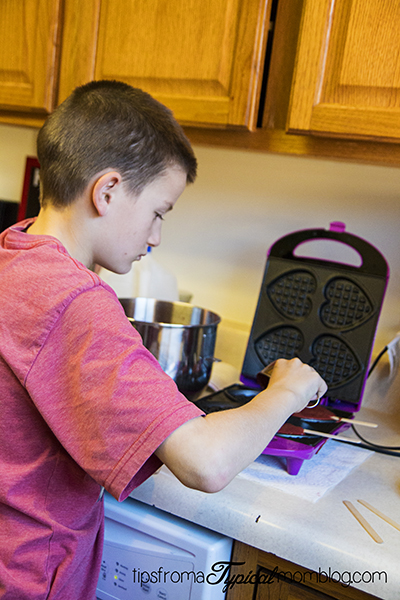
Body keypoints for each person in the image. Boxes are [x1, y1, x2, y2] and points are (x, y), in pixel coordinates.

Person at [0, 80, 327, 600]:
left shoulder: (13, 253)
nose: (156, 237)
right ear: (107, 191)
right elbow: (206, 462)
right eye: (158, 212)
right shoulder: (74, 301)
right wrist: (287, 390)